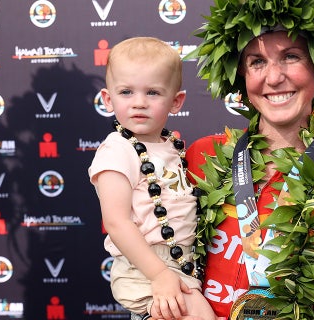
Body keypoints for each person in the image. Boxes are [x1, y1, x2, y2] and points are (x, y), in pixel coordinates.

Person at [161, 1, 314, 319]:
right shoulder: (203, 154)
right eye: (257, 62)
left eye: (291, 57)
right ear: (241, 74)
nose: (274, 77)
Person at [88, 37, 216, 320]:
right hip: (146, 269)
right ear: (108, 99)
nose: (139, 103)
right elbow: (116, 222)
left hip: (180, 265)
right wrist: (159, 275)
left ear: (176, 101)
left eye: (153, 93)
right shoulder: (117, 150)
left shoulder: (170, 146)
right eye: (126, 92)